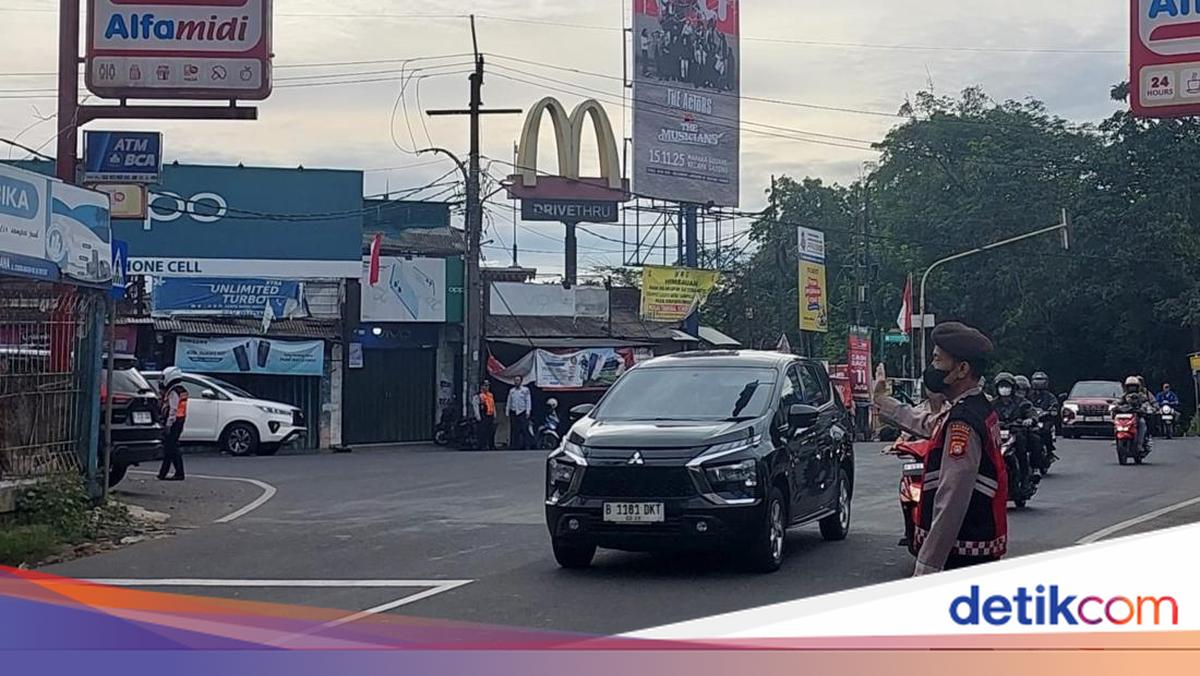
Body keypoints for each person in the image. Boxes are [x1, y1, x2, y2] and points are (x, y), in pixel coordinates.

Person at [873, 321, 1007, 576]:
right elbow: (928, 423)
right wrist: (882, 401)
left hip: (960, 557)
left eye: (937, 360)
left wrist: (927, 566)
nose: (932, 369)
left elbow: (951, 502)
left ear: (962, 369)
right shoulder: (973, 408)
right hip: (970, 553)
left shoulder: (963, 423)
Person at [992, 372, 1037, 491]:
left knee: (1021, 448)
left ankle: (1025, 479)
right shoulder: (992, 404)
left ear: (1013, 388)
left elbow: (1030, 411)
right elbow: (984, 416)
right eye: (1001, 386)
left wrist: (1029, 419)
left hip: (1016, 432)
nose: (1004, 389)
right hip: (997, 435)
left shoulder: (1022, 402)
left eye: (1006, 385)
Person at [157, 366, 187, 481]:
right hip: (180, 421)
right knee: (171, 448)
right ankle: (163, 473)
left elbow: (173, 409)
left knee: (171, 449)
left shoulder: (173, 392)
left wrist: (168, 424)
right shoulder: (182, 390)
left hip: (173, 422)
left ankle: (178, 473)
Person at [1027, 371, 1060, 463]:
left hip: (1045, 419)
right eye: (1037, 380)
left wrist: (1052, 410)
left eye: (1041, 380)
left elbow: (1055, 405)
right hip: (1031, 419)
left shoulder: (1049, 396)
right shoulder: (1029, 395)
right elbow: (1024, 404)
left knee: (1046, 431)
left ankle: (1049, 452)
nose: (1039, 383)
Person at [1118, 376, 1152, 454]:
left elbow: (1146, 403)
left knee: (1142, 423)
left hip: (1137, 416)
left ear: (1137, 387)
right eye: (1130, 386)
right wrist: (1115, 407)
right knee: (1118, 422)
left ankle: (1140, 444)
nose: (1132, 388)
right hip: (1127, 417)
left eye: (1133, 386)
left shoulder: (1141, 395)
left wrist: (1145, 408)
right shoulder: (1124, 396)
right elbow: (1118, 403)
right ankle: (1117, 437)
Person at [507, 376, 532, 450]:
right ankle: (514, 445)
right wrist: (507, 410)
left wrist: (528, 411)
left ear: (521, 381)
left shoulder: (525, 390)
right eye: (515, 380)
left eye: (518, 380)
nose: (516, 382)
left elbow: (528, 401)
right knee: (514, 429)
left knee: (524, 429)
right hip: (514, 411)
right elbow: (509, 401)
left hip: (522, 411)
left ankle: (527, 445)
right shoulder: (512, 391)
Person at [472, 382, 496, 450]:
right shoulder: (478, 396)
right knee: (482, 431)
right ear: (481, 387)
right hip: (483, 415)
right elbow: (475, 406)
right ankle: (482, 445)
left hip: (490, 415)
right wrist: (478, 416)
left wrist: (494, 413)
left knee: (491, 431)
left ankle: (491, 445)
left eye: (488, 386)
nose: (487, 387)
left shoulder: (490, 395)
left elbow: (493, 405)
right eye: (485, 386)